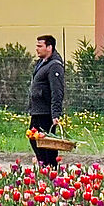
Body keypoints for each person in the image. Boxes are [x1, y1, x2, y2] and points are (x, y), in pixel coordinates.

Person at [27, 34, 66, 167]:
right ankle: (44, 165)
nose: (37, 49)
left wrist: (56, 113)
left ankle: (50, 168)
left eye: (40, 46)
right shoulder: (41, 63)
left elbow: (57, 91)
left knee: (47, 144)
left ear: (49, 47)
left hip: (46, 112)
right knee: (33, 138)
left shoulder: (55, 66)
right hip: (37, 110)